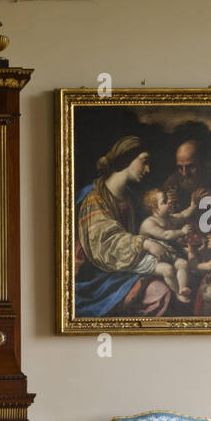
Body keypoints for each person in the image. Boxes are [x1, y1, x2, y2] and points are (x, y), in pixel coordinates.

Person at [72, 136, 174, 318]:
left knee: (163, 288)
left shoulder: (130, 197)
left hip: (124, 268)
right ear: (127, 159)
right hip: (95, 278)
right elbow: (105, 241)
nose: (148, 169)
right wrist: (147, 244)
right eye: (144, 162)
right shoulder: (94, 197)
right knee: (160, 291)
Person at [138, 188, 194, 302]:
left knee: (182, 263)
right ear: (154, 209)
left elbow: (183, 215)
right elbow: (166, 235)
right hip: (149, 259)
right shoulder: (149, 223)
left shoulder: (168, 218)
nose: (169, 202)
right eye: (164, 201)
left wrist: (193, 206)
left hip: (166, 255)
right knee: (168, 270)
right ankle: (177, 293)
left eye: (168, 199)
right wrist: (182, 232)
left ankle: (182, 288)